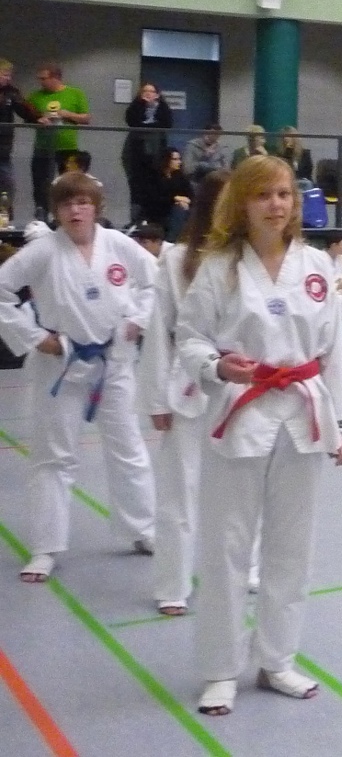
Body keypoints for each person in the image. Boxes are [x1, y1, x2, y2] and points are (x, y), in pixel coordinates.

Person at [175, 155, 342, 715]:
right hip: (241, 413)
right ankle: (219, 670)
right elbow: (189, 337)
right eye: (263, 195)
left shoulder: (316, 266)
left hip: (303, 416)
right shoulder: (219, 267)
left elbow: (333, 350)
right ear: (242, 203)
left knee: (292, 548)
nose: (276, 204)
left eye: (284, 194)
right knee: (226, 547)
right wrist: (216, 366)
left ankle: (277, 659)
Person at [0, 172, 156, 583]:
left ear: (96, 208)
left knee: (128, 447)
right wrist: (35, 337)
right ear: (56, 211)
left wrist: (138, 320)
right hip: (62, 366)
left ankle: (142, 528)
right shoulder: (42, 251)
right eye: (67, 204)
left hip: (113, 362)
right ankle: (45, 547)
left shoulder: (118, 244)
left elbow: (154, 283)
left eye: (83, 202)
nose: (75, 210)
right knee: (54, 457)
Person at [136, 169, 230, 615]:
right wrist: (156, 399)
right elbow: (158, 332)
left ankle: (241, 569)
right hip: (188, 384)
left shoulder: (252, 256)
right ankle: (172, 584)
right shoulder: (176, 259)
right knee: (180, 489)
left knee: (240, 489)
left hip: (240, 388)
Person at [28, 61, 90, 223]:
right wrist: (39, 119)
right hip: (43, 146)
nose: (41, 82)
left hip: (67, 147)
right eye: (39, 79)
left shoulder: (75, 93)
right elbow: (28, 115)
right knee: (41, 184)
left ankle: (68, 216)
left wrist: (68, 114)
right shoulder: (35, 96)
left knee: (69, 184)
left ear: (55, 78)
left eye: (44, 78)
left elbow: (86, 118)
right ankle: (42, 216)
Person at [123, 82, 174, 218]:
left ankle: (153, 216)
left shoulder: (163, 107)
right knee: (137, 186)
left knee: (154, 183)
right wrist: (141, 104)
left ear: (157, 94)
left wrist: (149, 123)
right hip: (138, 151)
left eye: (151, 91)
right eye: (145, 91)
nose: (148, 94)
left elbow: (166, 124)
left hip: (156, 149)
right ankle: (136, 217)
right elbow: (132, 121)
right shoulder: (136, 106)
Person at [0, 58, 41, 211]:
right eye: (5, 74)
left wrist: (38, 118)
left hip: (3, 148)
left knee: (6, 184)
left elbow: (25, 109)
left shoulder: (11, 92)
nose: (8, 78)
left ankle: (4, 215)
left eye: (9, 75)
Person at [141, 147, 194, 238]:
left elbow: (190, 195)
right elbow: (154, 198)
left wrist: (185, 201)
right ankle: (171, 240)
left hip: (179, 210)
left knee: (183, 211)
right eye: (175, 159)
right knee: (179, 211)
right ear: (166, 160)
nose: (179, 162)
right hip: (157, 213)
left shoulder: (180, 176)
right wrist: (176, 199)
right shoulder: (153, 176)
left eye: (179, 159)